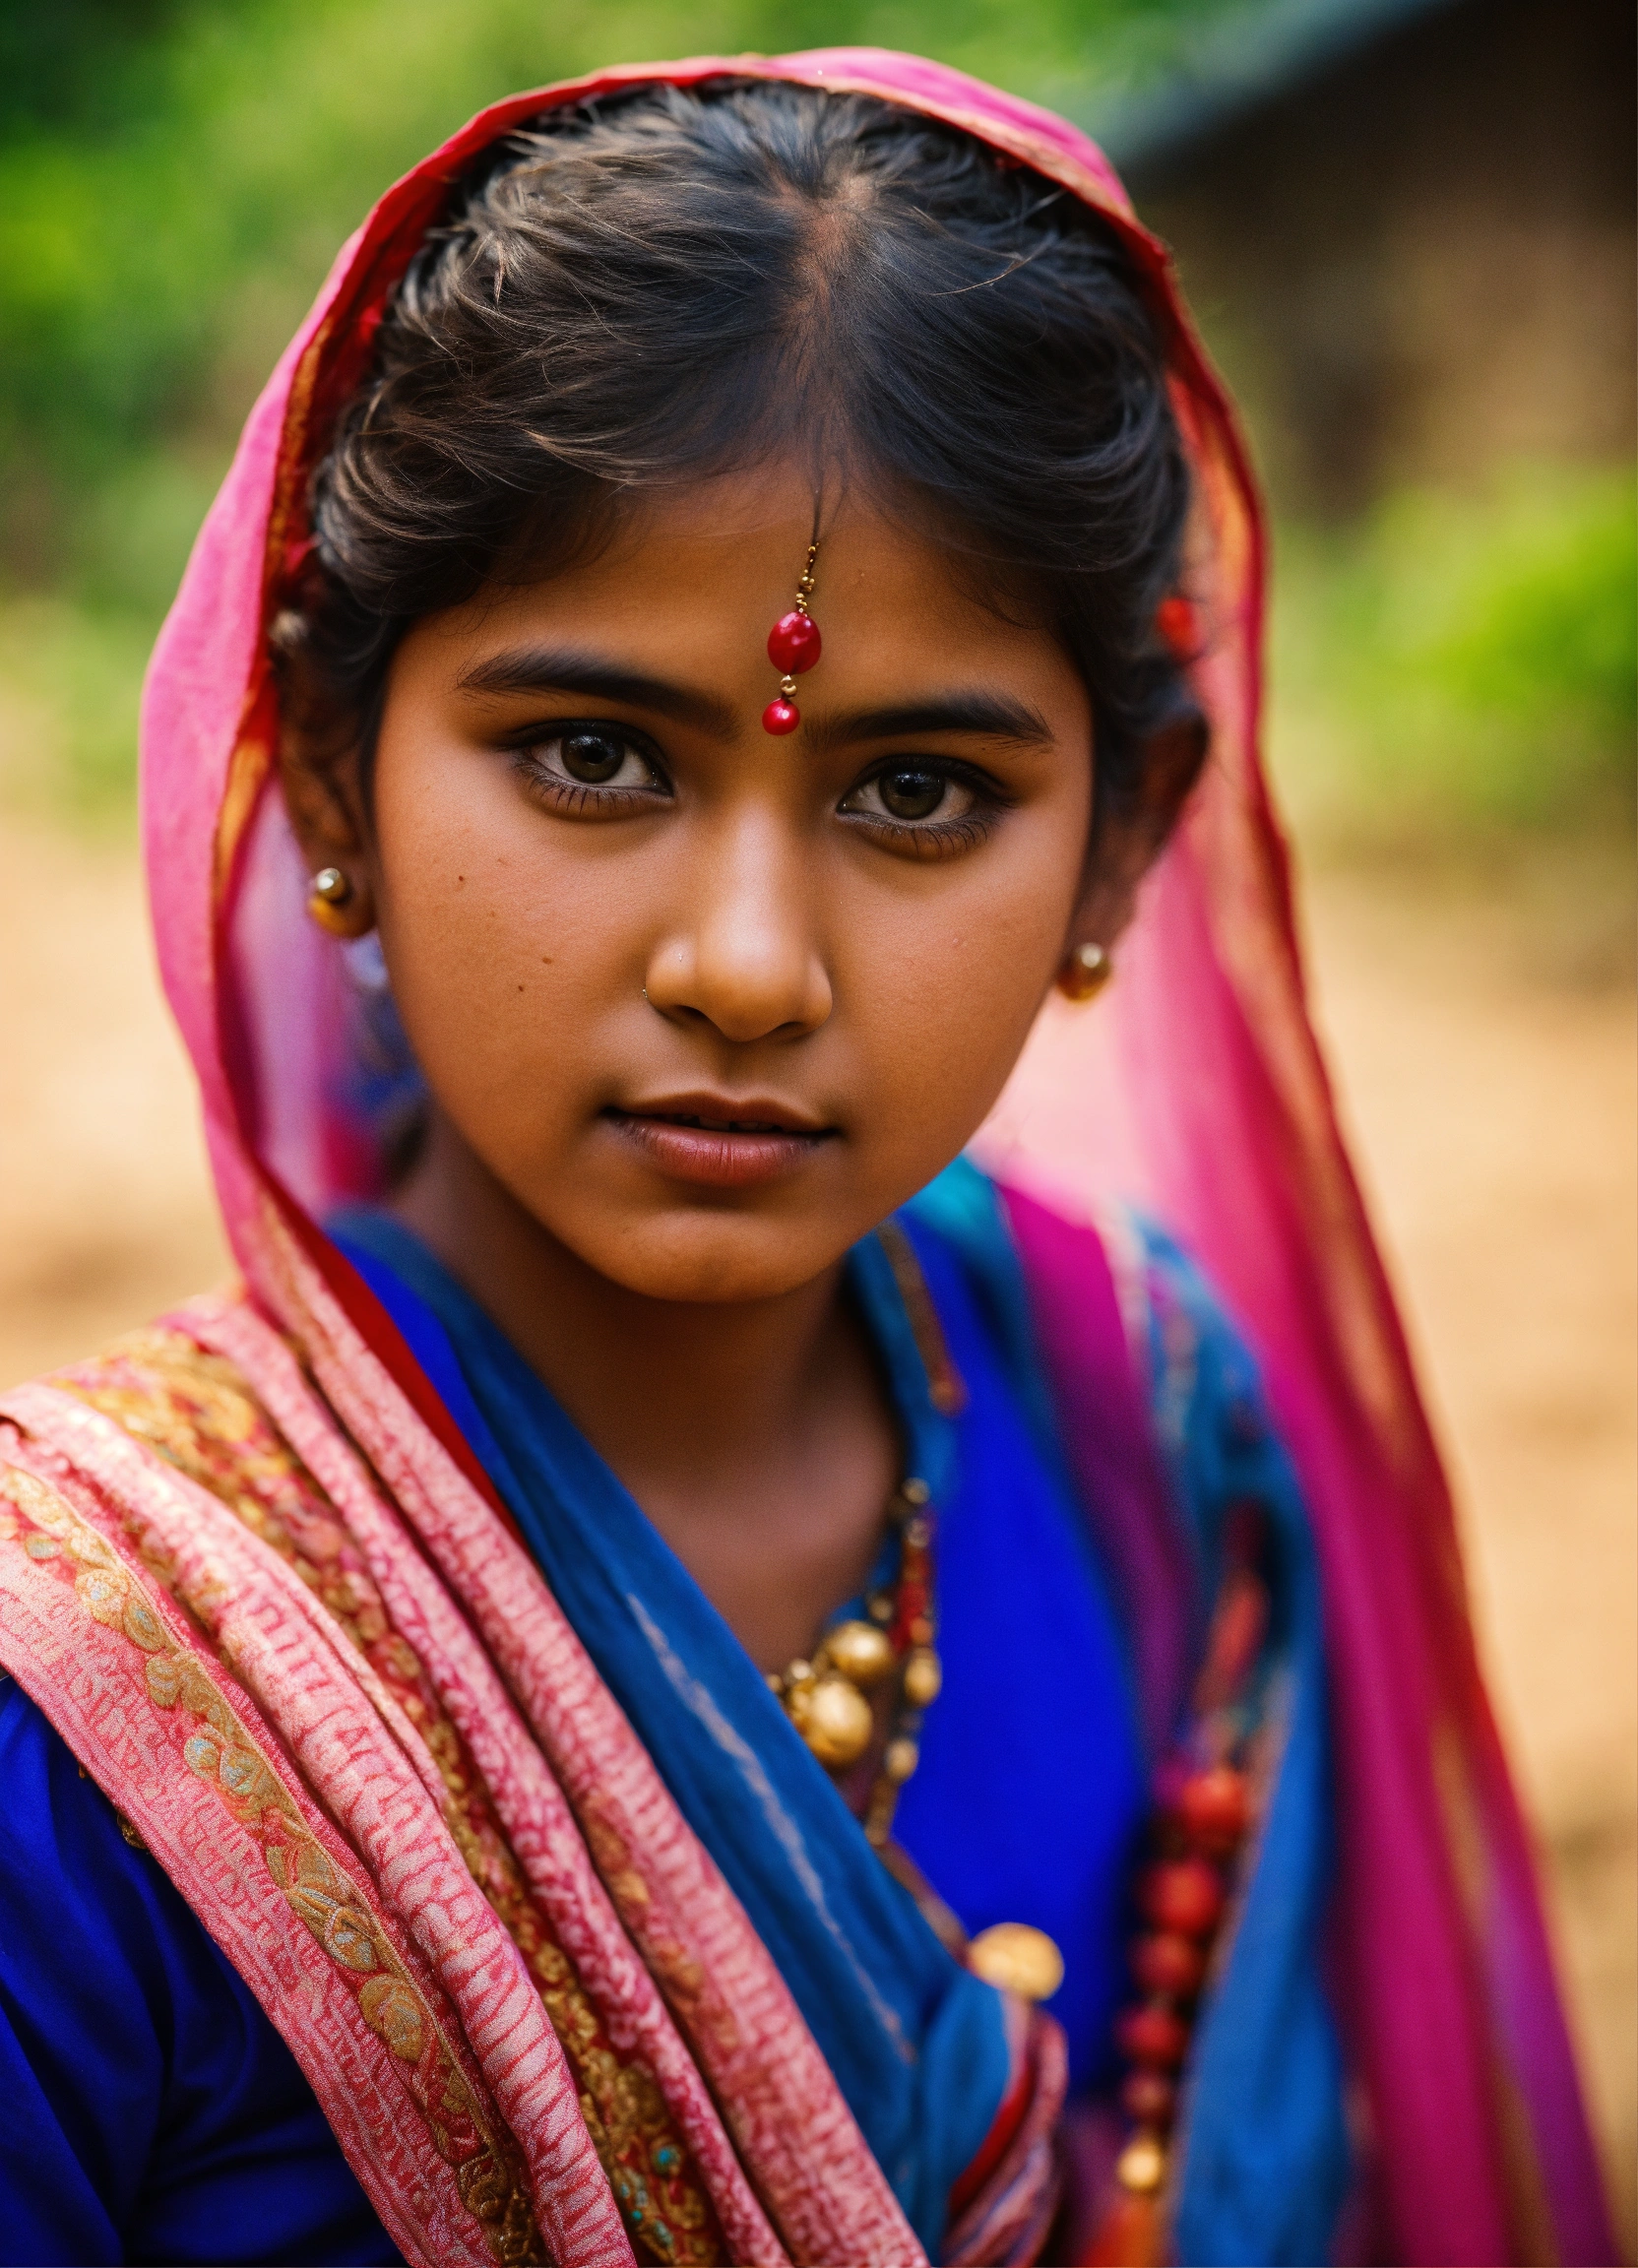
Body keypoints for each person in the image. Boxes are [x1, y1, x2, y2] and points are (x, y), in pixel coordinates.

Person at [0, 51, 1612, 2268]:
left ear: (1113, 860)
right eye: (589, 755)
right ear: (338, 780)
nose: (749, 969)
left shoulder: (1140, 1420)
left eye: (920, 794)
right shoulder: (94, 1705)